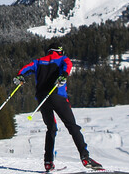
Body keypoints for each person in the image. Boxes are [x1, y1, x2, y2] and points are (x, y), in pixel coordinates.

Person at [15, 42, 103, 172]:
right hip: (57, 96)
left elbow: (25, 68)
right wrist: (64, 75)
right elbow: (68, 65)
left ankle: (48, 162)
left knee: (51, 128)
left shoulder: (38, 61)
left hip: (42, 99)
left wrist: (20, 76)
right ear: (60, 51)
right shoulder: (63, 58)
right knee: (72, 126)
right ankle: (85, 158)